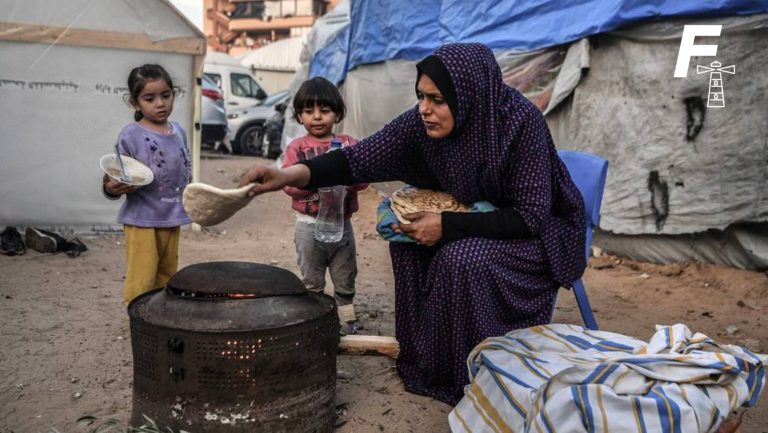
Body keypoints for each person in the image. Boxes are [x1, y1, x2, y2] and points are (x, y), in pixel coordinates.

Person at [238, 43, 586, 405]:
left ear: (467, 95)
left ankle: (477, 372)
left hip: (538, 234)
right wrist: (286, 175)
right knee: (407, 242)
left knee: (460, 258)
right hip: (474, 217)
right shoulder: (419, 126)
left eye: (436, 99)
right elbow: (355, 159)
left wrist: (446, 227)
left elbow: (531, 215)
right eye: (420, 96)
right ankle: (430, 363)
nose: (424, 109)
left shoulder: (519, 124)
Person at [281, 77, 367, 333]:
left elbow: (364, 177)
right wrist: (317, 180)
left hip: (342, 226)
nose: (317, 117)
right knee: (312, 281)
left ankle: (346, 322)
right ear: (299, 116)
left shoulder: (349, 146)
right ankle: (315, 324)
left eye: (325, 111)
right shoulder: (297, 149)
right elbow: (288, 185)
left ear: (337, 113)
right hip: (308, 228)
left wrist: (346, 182)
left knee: (345, 278)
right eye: (309, 111)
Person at [102, 64, 191, 304]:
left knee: (167, 273)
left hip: (172, 216)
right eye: (149, 98)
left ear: (174, 93)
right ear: (135, 102)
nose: (160, 103)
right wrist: (111, 188)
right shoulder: (131, 135)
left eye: (166, 95)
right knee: (142, 277)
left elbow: (185, 170)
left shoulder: (179, 131)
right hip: (142, 220)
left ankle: (159, 317)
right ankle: (139, 318)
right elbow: (115, 174)